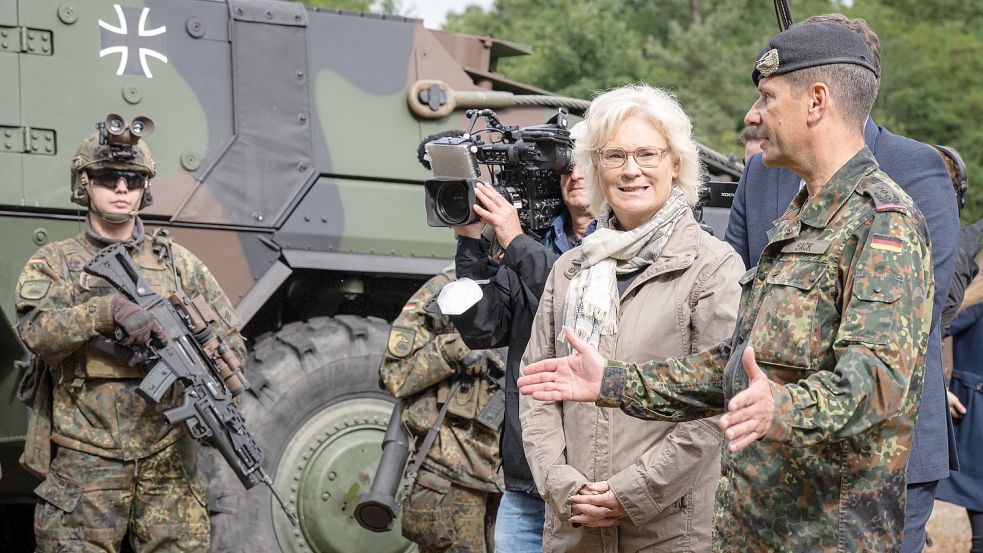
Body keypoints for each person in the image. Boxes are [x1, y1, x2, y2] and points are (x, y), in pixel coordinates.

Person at [518, 22, 934, 551]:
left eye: (766, 98)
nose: (752, 116)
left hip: (823, 535)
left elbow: (877, 383)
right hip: (753, 530)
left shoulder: (881, 220)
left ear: (816, 102)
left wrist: (780, 408)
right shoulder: (801, 218)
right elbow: (731, 367)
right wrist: (613, 382)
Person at [723, 15, 960, 551]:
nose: (756, 113)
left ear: (824, 93)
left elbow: (926, 306)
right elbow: (742, 289)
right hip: (770, 451)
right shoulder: (763, 170)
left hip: (873, 462)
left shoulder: (912, 170)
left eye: (769, 96)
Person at [519, 84, 743, 552]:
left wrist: (631, 493)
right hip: (575, 526)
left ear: (676, 164)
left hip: (669, 529)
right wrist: (564, 486)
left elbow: (717, 403)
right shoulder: (570, 269)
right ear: (596, 168)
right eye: (614, 155)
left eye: (647, 153)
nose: (631, 170)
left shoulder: (713, 268)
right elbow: (536, 388)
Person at [15, 116, 245, 552]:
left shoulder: (179, 265)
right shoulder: (55, 263)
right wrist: (105, 311)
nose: (121, 188)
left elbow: (232, 344)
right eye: (107, 178)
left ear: (145, 189)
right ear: (84, 185)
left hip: (169, 462)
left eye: (132, 179)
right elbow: (36, 333)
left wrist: (204, 356)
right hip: (87, 462)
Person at [448, 125, 593, 552]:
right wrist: (469, 243)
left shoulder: (622, 244)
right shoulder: (537, 241)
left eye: (587, 161)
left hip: (591, 477)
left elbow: (577, 304)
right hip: (526, 479)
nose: (575, 173)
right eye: (566, 165)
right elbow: (483, 329)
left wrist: (515, 240)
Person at [380, 268, 505, 553]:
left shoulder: (543, 284)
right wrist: (458, 348)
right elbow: (395, 374)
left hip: (514, 487)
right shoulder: (448, 290)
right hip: (452, 478)